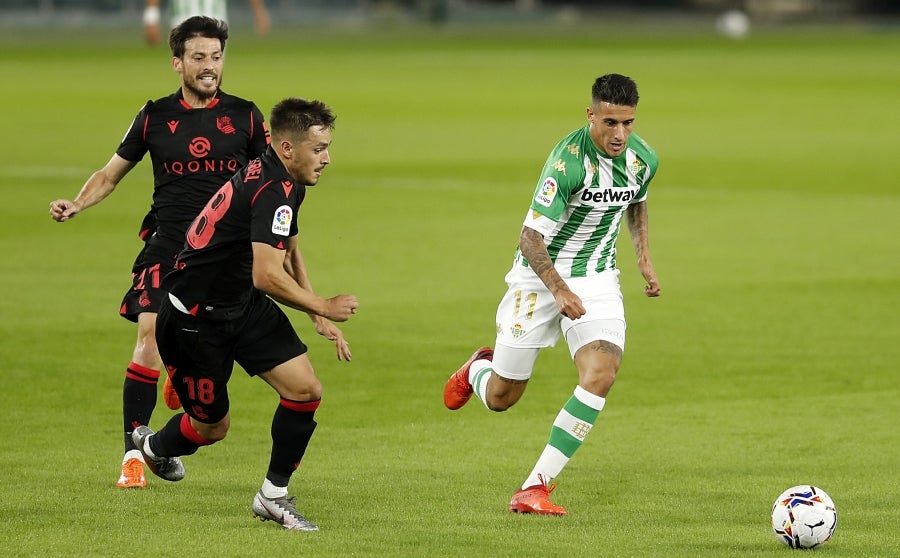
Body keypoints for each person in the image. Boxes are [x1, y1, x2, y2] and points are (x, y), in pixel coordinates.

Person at [49, 16, 270, 489]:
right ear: (178, 63)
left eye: (216, 56)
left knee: (216, 345)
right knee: (147, 337)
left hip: (225, 259)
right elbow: (110, 174)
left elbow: (272, 181)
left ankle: (180, 377)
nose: (209, 66)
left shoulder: (248, 116)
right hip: (167, 248)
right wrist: (77, 202)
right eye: (198, 58)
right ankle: (133, 455)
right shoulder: (153, 117)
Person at [134, 97, 357, 532]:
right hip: (192, 321)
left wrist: (315, 313)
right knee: (213, 428)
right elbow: (267, 276)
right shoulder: (272, 188)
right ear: (288, 148)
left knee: (305, 389)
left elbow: (288, 247)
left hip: (240, 306)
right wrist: (322, 304)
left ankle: (272, 497)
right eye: (319, 148)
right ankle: (155, 445)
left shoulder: (288, 179)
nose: (327, 158)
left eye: (328, 147)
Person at [443, 74, 661, 516]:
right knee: (503, 398)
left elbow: (636, 200)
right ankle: (478, 370)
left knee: (601, 372)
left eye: (628, 123)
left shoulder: (643, 159)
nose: (619, 134)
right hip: (539, 278)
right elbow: (529, 237)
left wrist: (643, 257)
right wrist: (558, 289)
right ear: (591, 115)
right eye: (610, 122)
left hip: (597, 277)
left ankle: (534, 487)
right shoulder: (567, 163)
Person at [143, 0, 270, 46]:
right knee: (190, 71)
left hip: (216, 19)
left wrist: (259, 11)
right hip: (183, 18)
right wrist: (151, 17)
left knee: (212, 71)